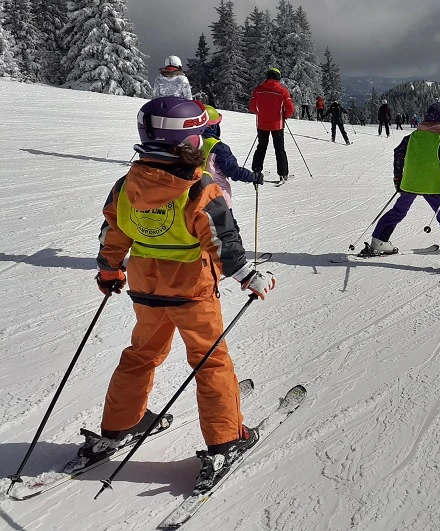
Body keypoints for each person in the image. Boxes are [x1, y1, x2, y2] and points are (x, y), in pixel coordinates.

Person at [88, 96, 275, 491]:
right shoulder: (197, 186)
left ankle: (119, 424)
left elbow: (114, 231)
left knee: (141, 354)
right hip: (191, 292)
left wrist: (109, 270)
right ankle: (225, 440)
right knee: (210, 362)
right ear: (190, 141)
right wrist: (247, 275)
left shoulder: (128, 184)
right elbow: (221, 238)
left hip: (145, 287)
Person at [366, 101, 440, 273]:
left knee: (398, 211)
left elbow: (398, 153)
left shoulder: (413, 136)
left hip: (410, 182)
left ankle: (378, 241)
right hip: (432, 185)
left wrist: (398, 177)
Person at [200, 105, 264, 219]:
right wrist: (254, 177)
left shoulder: (190, 144)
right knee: (229, 235)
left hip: (196, 200)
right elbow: (234, 172)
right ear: (212, 126)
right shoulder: (219, 148)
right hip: (218, 200)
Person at [249, 68, 294, 183]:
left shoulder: (258, 90)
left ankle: (256, 171)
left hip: (262, 124)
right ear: (278, 77)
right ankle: (283, 174)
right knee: (279, 149)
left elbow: (252, 107)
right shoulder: (282, 91)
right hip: (277, 124)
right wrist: (285, 116)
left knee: (261, 147)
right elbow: (290, 108)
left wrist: (262, 113)